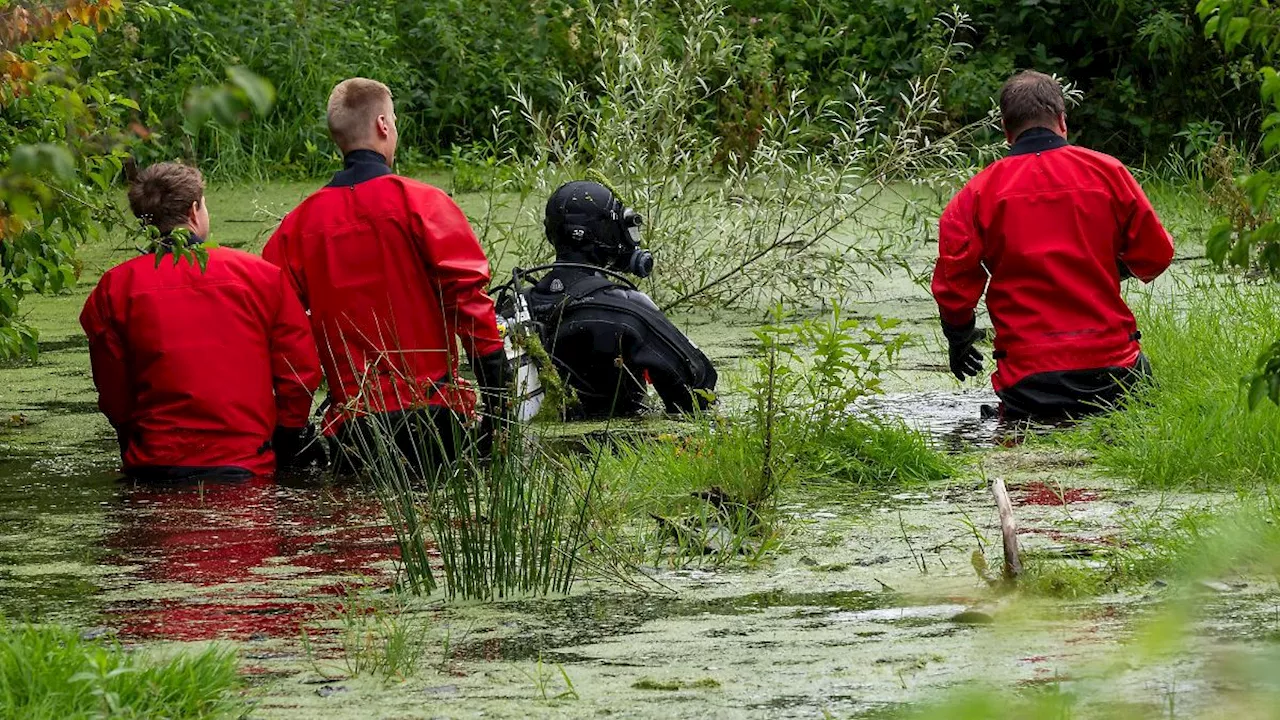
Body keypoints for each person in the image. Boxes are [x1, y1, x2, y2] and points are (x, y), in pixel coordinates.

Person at [262, 78, 511, 471]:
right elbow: (470, 305)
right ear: (383, 125)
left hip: (354, 429)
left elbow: (283, 336)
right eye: (393, 121)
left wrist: (290, 431)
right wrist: (500, 405)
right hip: (437, 417)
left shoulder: (297, 228)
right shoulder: (424, 204)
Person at [932, 70, 1175, 420]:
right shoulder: (1109, 172)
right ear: (1062, 120)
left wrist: (959, 341)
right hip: (1114, 374)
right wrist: (1101, 266)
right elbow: (1156, 255)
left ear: (1005, 130)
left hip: (1030, 383)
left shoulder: (976, 195)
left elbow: (954, 285)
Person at [80, 163, 325, 480]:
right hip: (244, 466)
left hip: (155, 467)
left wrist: (132, 438)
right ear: (195, 211)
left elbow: (114, 394)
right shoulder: (261, 278)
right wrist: (288, 437)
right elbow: (298, 373)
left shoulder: (114, 289)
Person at [522, 180, 717, 419]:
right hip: (620, 448)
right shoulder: (627, 309)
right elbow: (697, 392)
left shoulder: (517, 307)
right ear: (607, 232)